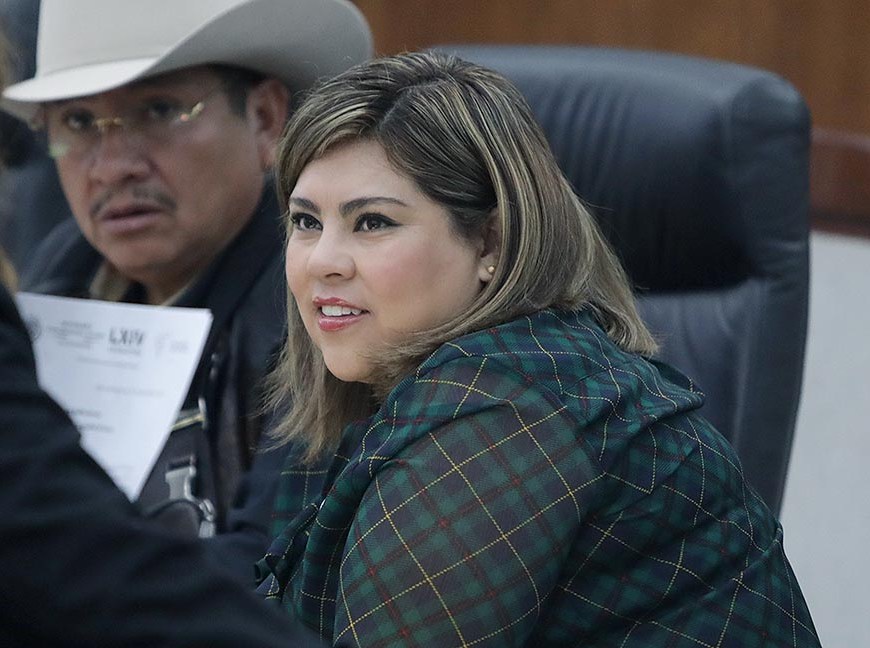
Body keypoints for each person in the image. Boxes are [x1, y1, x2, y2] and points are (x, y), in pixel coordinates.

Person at [258, 51, 821, 647]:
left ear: (490, 243)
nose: (322, 261)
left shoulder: (502, 415)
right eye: (306, 222)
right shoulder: (399, 392)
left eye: (373, 222)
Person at [0, 0, 371, 581]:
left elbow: (267, 568)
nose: (112, 167)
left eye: (159, 110)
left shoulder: (323, 304)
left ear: (265, 119)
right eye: (77, 122)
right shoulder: (60, 275)